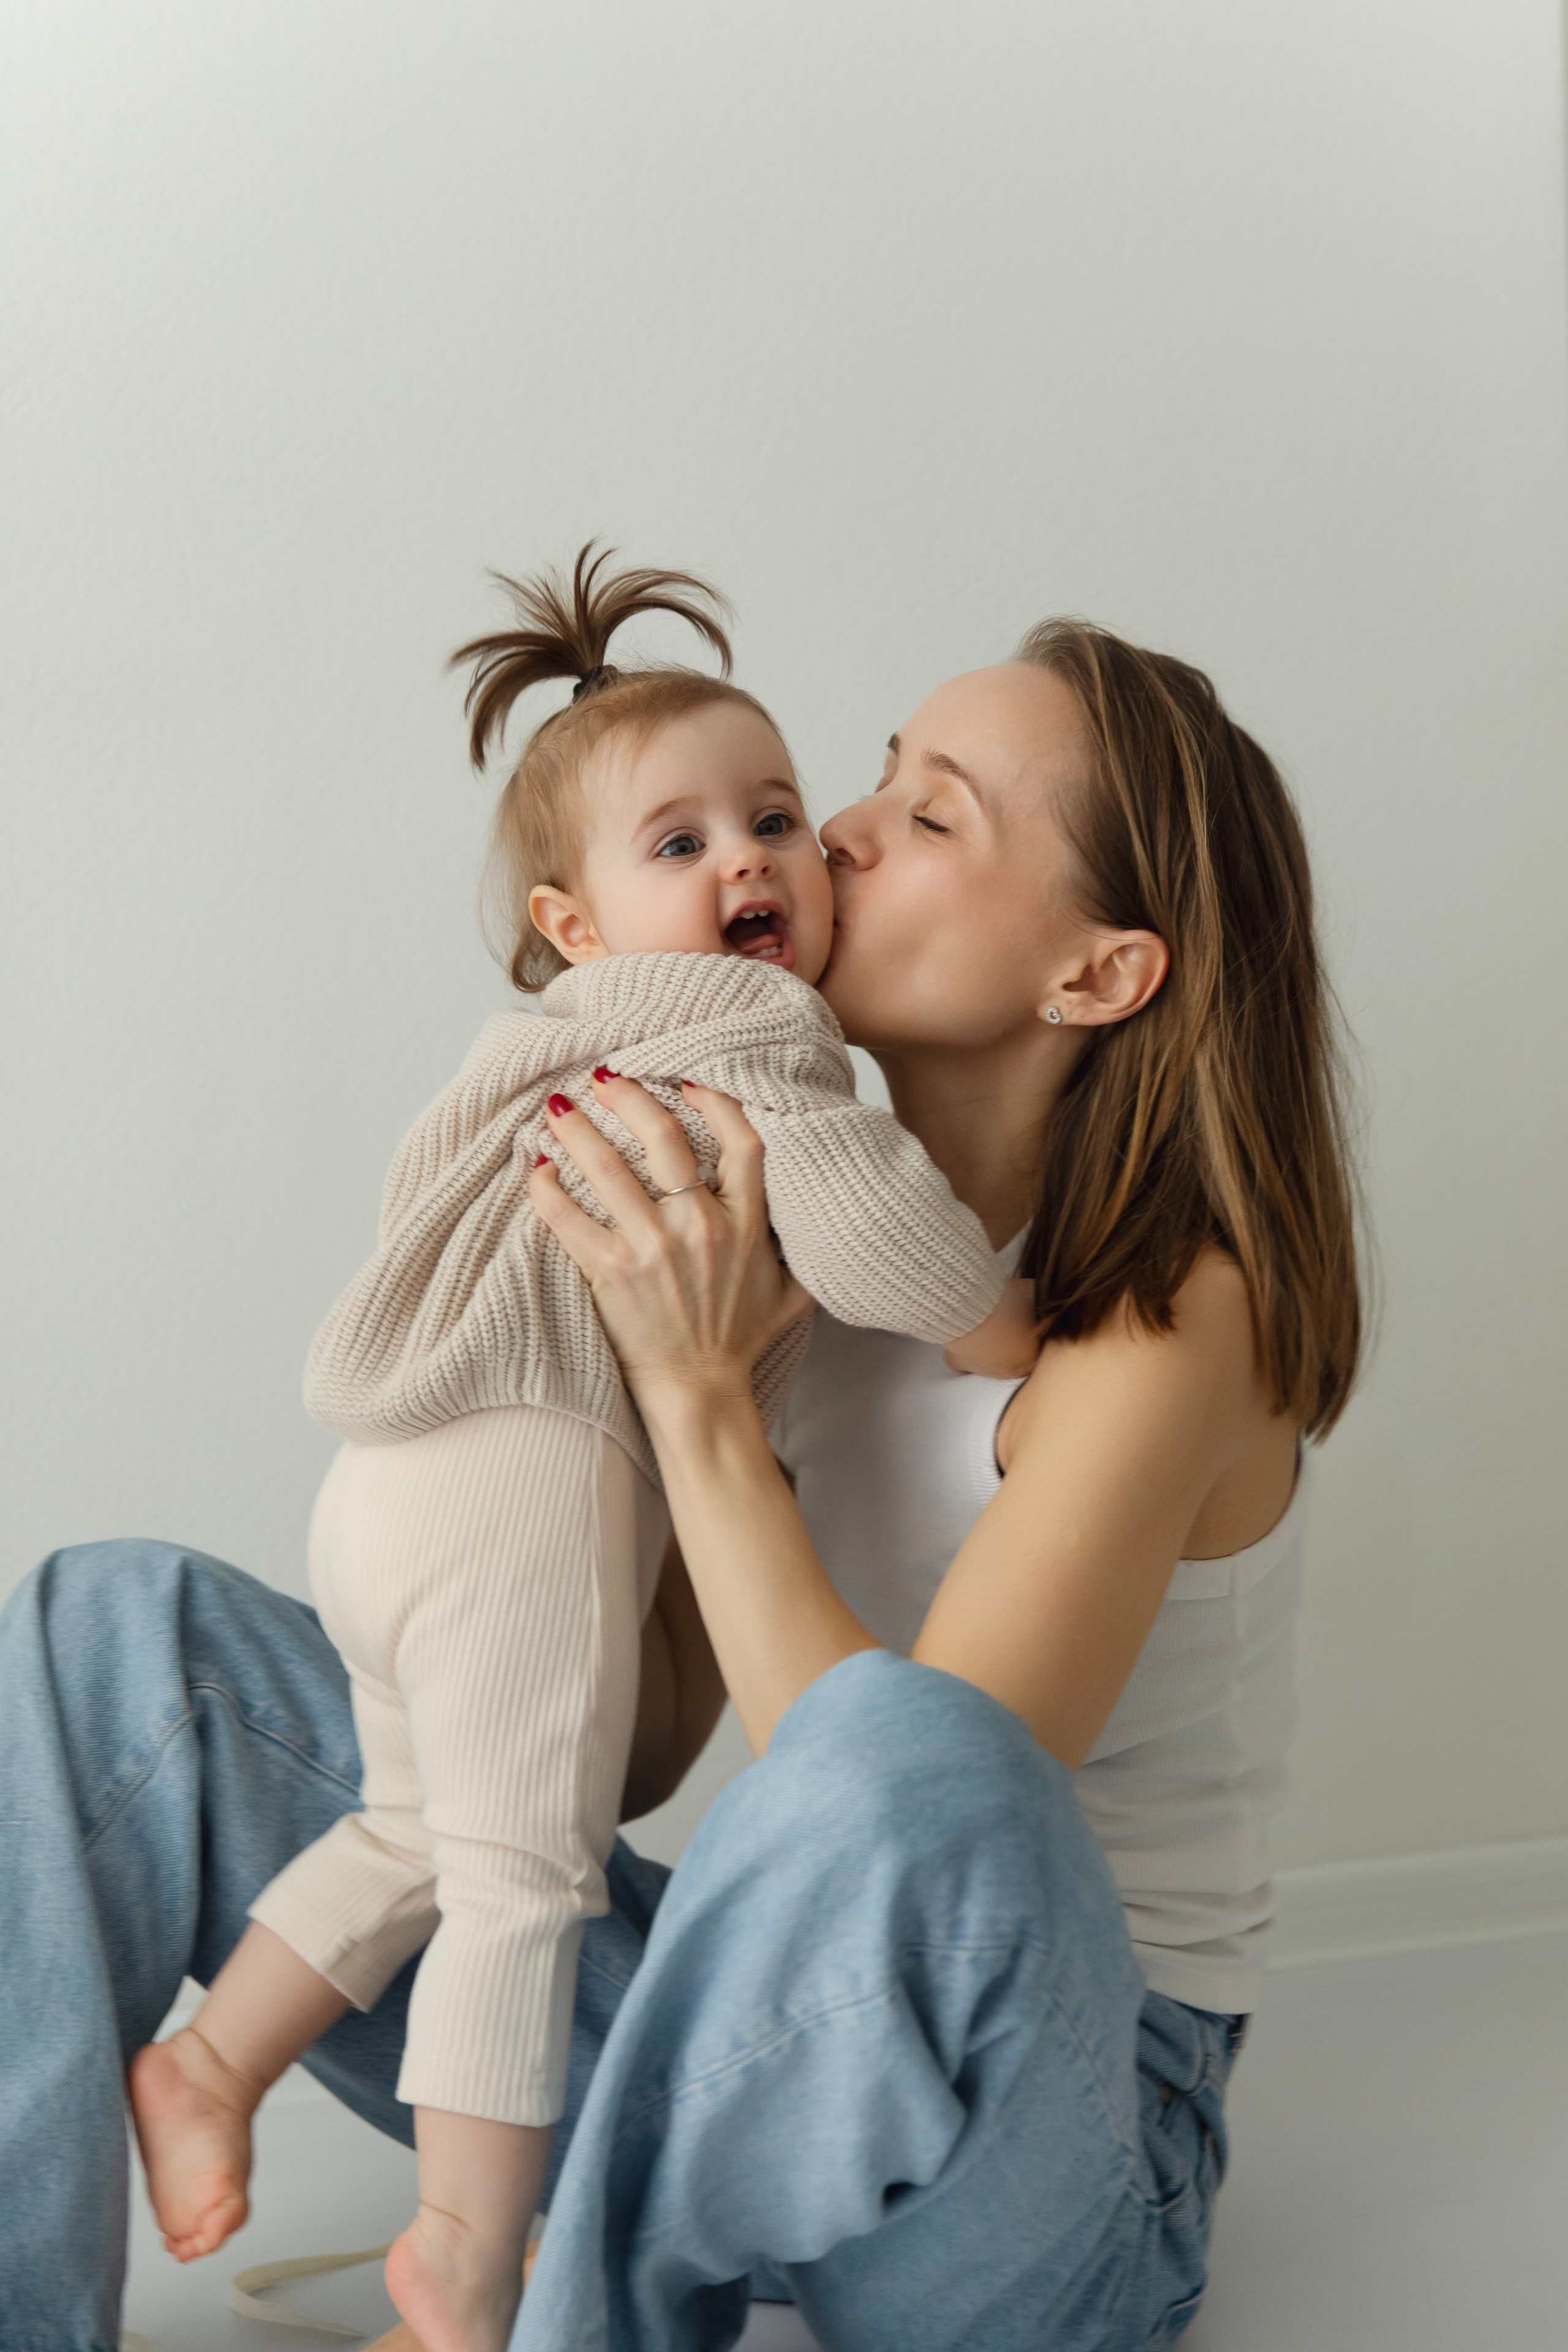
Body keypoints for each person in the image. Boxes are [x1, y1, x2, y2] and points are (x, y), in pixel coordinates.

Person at [0, 612, 1359, 2352]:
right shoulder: (805, 1251)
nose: (840, 836)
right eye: (866, 780)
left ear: (1095, 975)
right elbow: (631, 1755)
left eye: (931, 817)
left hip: (1059, 2145)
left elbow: (888, 1831)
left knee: (920, 1749)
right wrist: (536, 1511)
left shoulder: (1178, 1313)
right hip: (743, 2066)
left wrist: (698, 1396)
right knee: (109, 1637)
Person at [124, 549, 1032, 2352]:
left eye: (773, 816)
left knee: (417, 1823)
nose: (754, 863)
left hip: (389, 1493)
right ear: (577, 923)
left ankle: (210, 2060)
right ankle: (462, 2262)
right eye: (678, 845)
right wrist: (1001, 1328)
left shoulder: (543, 1053)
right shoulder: (754, 1039)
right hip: (524, 1481)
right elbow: (886, 1243)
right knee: (524, 1884)